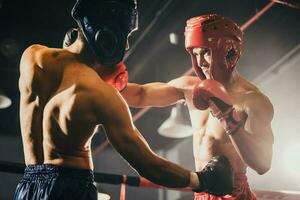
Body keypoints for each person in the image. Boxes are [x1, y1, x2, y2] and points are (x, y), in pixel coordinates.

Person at [13, 1, 234, 199]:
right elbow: (148, 164)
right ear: (108, 35)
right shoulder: (100, 94)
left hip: (27, 186)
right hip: (71, 189)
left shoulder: (33, 57)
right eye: (126, 35)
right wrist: (202, 180)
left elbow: (138, 93)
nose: (126, 45)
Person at [121, 14, 274, 200]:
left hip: (233, 194)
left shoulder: (252, 100)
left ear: (229, 52)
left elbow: (263, 164)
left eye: (206, 52)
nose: (200, 62)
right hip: (202, 190)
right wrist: (108, 78)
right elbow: (140, 95)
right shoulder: (189, 87)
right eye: (195, 53)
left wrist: (228, 118)